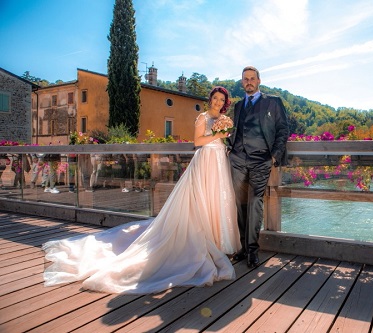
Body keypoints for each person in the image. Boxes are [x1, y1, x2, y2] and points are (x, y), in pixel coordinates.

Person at [42, 86, 240, 294]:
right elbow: (197, 141)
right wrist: (217, 134)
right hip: (206, 160)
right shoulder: (202, 117)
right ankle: (205, 243)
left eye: (221, 99)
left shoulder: (224, 117)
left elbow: (221, 140)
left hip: (219, 161)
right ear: (210, 99)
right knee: (203, 200)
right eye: (215, 98)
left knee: (219, 200)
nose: (218, 102)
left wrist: (223, 138)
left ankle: (219, 242)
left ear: (224, 102)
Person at [228, 66, 289, 268]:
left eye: (252, 78)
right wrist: (229, 149)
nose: (249, 82)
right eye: (245, 79)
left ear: (259, 80)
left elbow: (282, 130)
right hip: (237, 160)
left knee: (255, 202)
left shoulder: (273, 102)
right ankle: (243, 249)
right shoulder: (237, 106)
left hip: (261, 160)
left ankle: (253, 250)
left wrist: (274, 156)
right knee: (240, 204)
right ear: (242, 82)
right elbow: (234, 131)